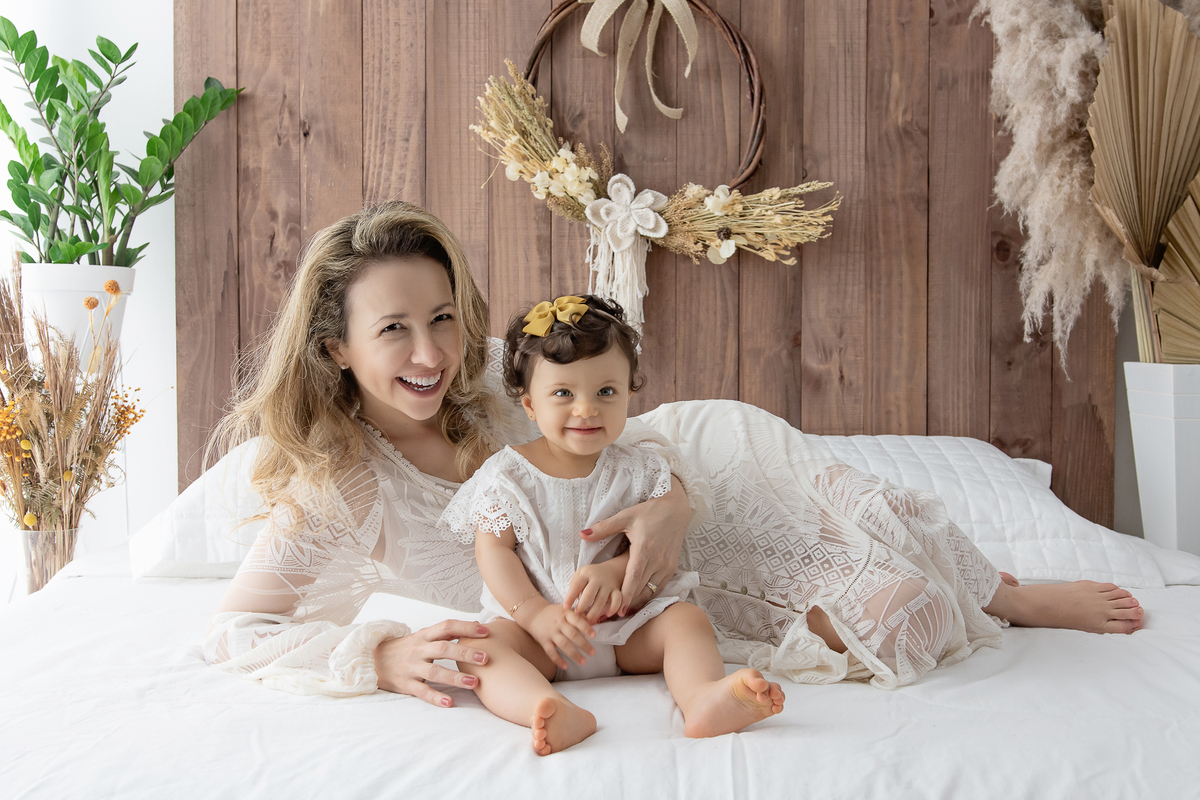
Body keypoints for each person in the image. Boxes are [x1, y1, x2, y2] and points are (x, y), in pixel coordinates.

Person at [205, 200, 1143, 704]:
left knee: (870, 519)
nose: (430, 354)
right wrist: (382, 657)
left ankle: (1011, 593)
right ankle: (939, 597)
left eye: (444, 318)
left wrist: (673, 505)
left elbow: (610, 419)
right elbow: (238, 631)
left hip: (686, 475)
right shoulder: (340, 487)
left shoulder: (498, 374)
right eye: (395, 331)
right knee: (900, 616)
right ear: (336, 348)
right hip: (627, 607)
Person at [440, 295, 784, 754]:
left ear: (628, 394)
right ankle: (547, 706)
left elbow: (654, 544)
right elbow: (493, 550)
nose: (586, 409)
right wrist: (533, 612)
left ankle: (701, 698)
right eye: (563, 393)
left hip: (627, 628)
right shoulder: (507, 476)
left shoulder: (640, 469)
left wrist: (617, 570)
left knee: (686, 621)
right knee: (480, 651)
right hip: (541, 637)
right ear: (529, 404)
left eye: (606, 392)